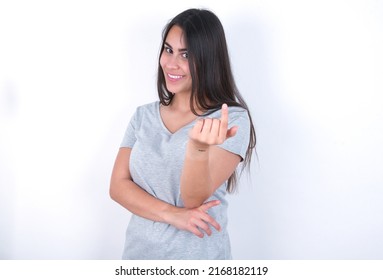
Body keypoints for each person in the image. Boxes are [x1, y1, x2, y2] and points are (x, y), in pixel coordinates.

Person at [110, 8, 256, 260]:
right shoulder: (142, 116)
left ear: (208, 58)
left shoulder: (230, 119)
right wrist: (171, 214)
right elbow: (118, 186)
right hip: (138, 258)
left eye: (185, 54)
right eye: (168, 50)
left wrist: (198, 148)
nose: (171, 63)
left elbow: (193, 199)